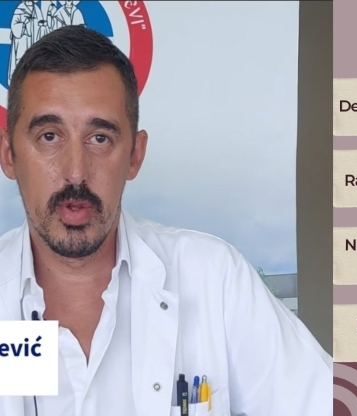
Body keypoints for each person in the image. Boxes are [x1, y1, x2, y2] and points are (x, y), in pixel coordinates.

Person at [0, 26, 332, 415]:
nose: (75, 172)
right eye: (49, 136)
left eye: (100, 138)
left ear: (135, 155)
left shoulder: (214, 279)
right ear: (8, 155)